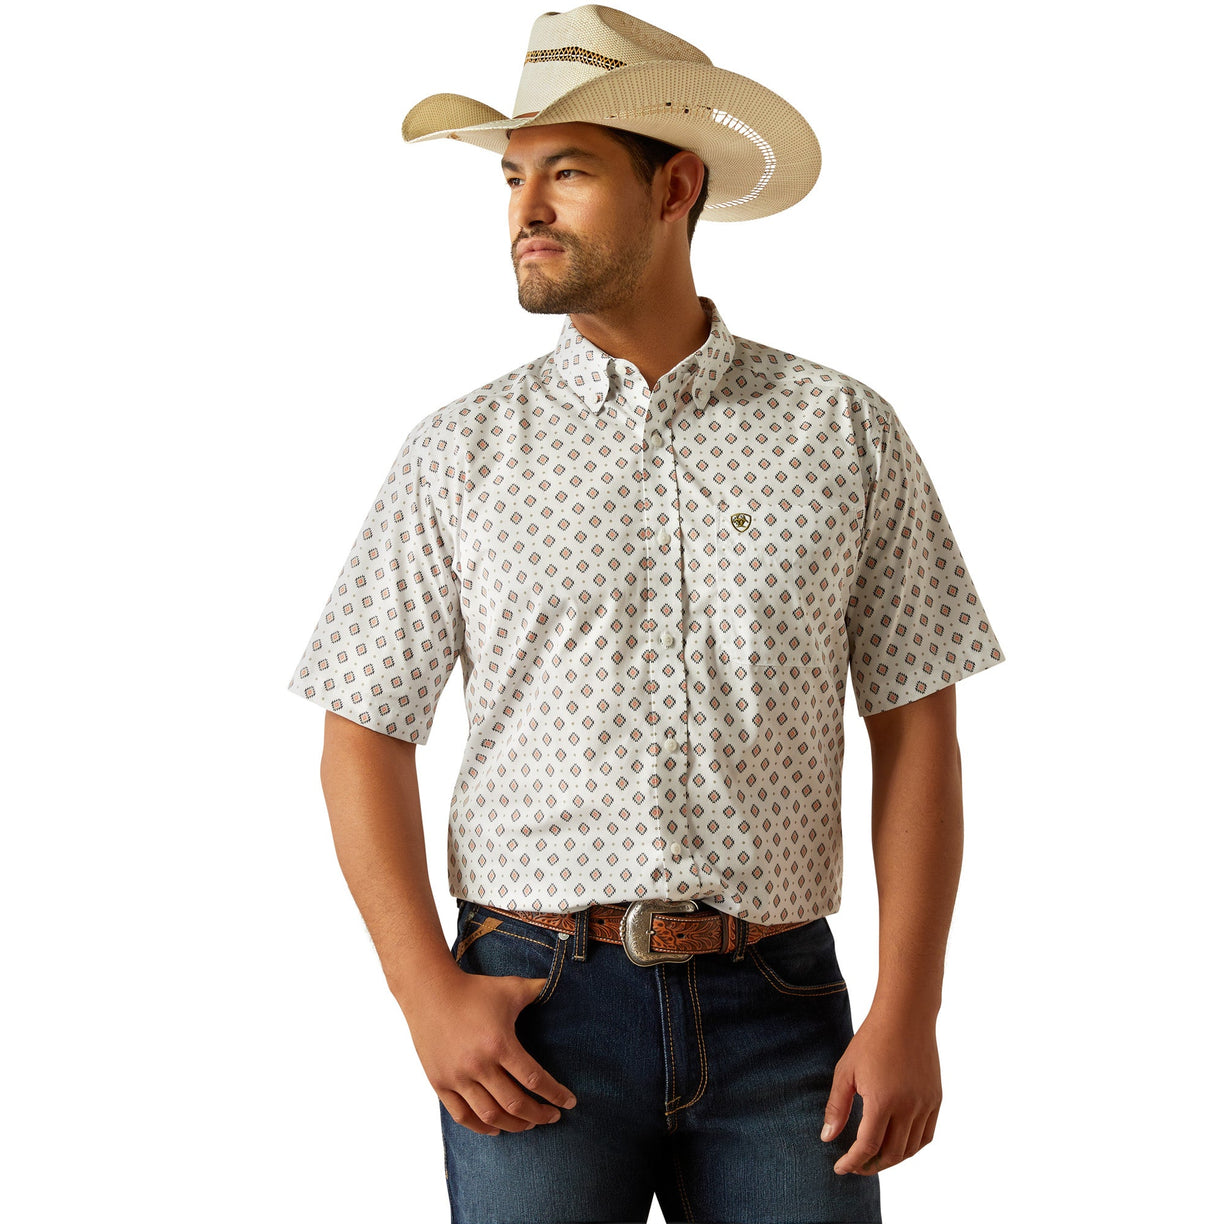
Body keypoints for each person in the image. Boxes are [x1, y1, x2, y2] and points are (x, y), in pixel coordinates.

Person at [287, 6, 1006, 1222]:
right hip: (533, 1012)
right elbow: (362, 728)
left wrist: (909, 1010)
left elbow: (917, 730)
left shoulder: (842, 432)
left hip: (784, 1014)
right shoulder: (462, 453)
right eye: (514, 177)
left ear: (675, 186)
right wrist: (426, 992)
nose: (526, 210)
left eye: (565, 173)